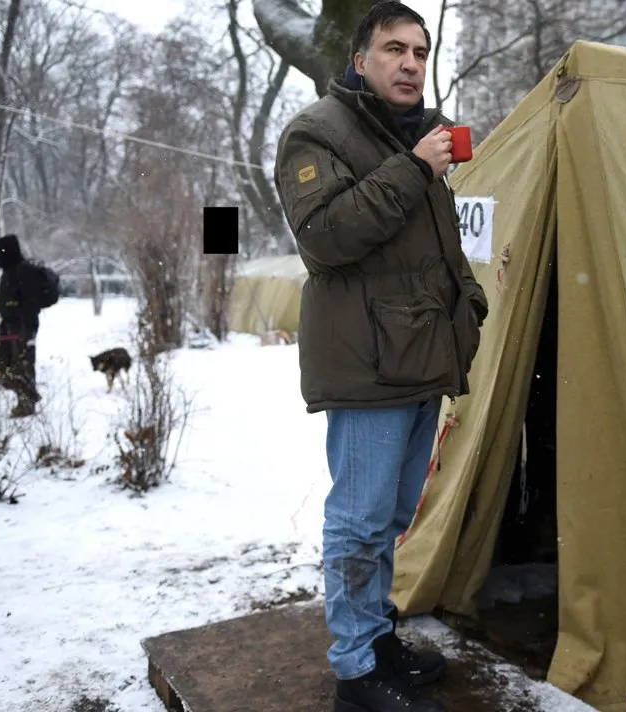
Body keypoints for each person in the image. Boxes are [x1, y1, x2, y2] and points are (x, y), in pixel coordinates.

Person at [273, 3, 488, 711]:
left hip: (421, 355)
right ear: (359, 59)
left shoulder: (418, 135)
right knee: (359, 520)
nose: (410, 64)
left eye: (420, 52)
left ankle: (375, 635)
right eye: (394, 49)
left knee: (392, 516)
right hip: (367, 364)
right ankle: (355, 671)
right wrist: (412, 168)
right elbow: (325, 241)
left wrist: (470, 306)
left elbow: (438, 249)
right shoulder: (315, 132)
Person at [0, 234, 57, 418]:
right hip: (8, 325)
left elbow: (31, 299)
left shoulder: (24, 270)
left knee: (21, 364)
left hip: (22, 326)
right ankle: (28, 396)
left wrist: (19, 311)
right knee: (5, 365)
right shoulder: (9, 271)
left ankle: (26, 401)